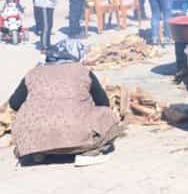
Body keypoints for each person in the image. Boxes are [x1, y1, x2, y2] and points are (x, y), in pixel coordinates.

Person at [8, 39, 120, 167]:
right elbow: (103, 103)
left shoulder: (33, 72)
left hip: (33, 139)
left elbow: (14, 103)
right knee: (107, 115)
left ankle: (40, 151)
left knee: (33, 122)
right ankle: (90, 152)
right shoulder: (82, 70)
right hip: (75, 134)